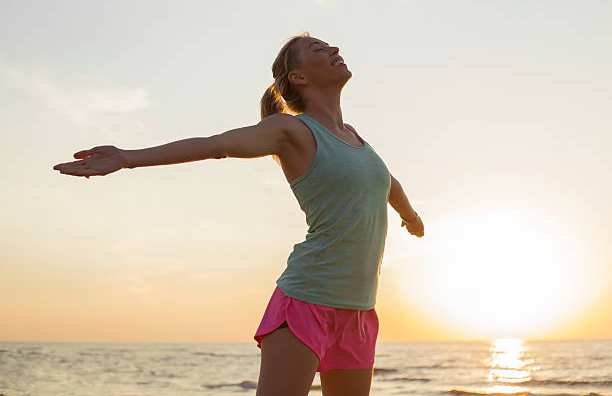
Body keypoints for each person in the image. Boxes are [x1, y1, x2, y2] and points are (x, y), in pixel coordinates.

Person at [53, 31, 425, 396]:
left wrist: (410, 217)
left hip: (359, 312)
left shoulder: (354, 137)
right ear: (298, 76)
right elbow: (217, 145)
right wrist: (129, 158)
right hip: (307, 301)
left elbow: (387, 183)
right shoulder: (289, 129)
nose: (335, 48)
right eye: (319, 48)